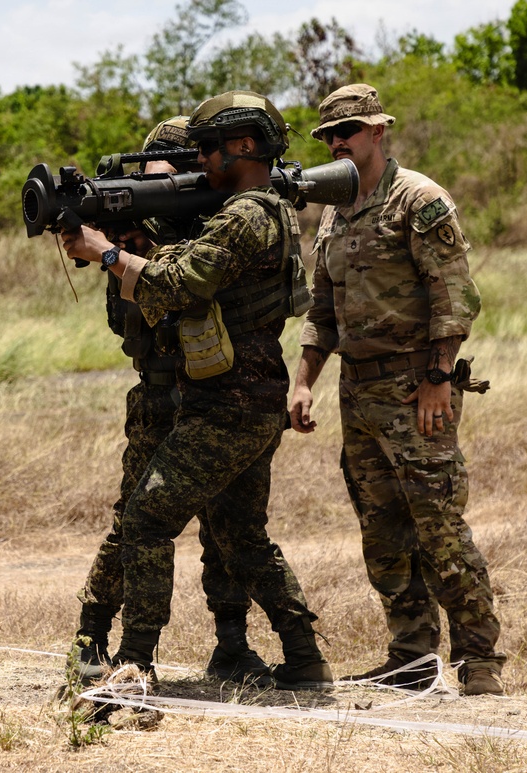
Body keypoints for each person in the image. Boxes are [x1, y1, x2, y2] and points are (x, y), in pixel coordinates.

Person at [63, 91, 332, 690]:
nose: (201, 160)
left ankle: (133, 663)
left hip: (227, 403)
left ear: (245, 146)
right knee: (239, 535)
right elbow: (140, 312)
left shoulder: (245, 215)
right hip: (232, 398)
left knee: (147, 519)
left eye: (207, 149)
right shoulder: (250, 211)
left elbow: (182, 283)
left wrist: (109, 252)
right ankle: (303, 656)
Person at [288, 83, 506, 696]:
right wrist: (303, 384)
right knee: (382, 533)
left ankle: (479, 663)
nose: (337, 144)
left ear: (377, 131)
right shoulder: (333, 212)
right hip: (357, 392)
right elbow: (322, 309)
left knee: (438, 527)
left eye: (348, 132)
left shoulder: (419, 199)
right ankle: (411, 658)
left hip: (415, 388)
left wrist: (438, 377)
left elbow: (454, 297)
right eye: (329, 136)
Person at [72, 116, 270, 685]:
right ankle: (92, 637)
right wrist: (130, 253)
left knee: (227, 527)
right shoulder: (136, 229)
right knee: (134, 521)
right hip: (160, 393)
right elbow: (124, 319)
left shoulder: (226, 223)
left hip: (219, 395)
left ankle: (233, 644)